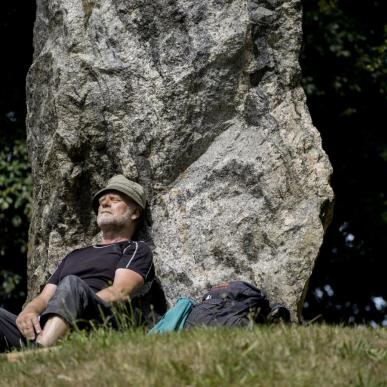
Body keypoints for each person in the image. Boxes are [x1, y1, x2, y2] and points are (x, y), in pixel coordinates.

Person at [0, 175, 160, 352]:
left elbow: (119, 292)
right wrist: (29, 311)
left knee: (72, 284)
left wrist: (78, 301)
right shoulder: (74, 255)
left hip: (95, 322)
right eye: (102, 202)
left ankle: (40, 354)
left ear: (135, 212)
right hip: (49, 321)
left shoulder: (135, 248)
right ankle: (39, 345)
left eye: (114, 200)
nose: (104, 204)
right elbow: (45, 298)